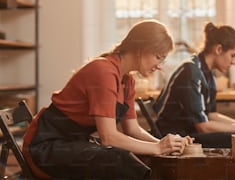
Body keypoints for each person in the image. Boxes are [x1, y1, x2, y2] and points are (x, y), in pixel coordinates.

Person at [22, 19, 193, 180]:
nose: (159, 66)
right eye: (158, 57)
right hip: (45, 148)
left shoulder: (127, 81)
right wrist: (158, 148)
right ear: (141, 48)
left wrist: (167, 146)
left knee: (137, 156)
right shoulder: (104, 71)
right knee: (115, 158)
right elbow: (109, 138)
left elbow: (133, 130)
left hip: (72, 143)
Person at [153, 22, 235, 148]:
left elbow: (211, 115)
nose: (234, 62)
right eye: (233, 55)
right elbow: (203, 127)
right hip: (173, 136)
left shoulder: (208, 73)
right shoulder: (191, 71)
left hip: (188, 132)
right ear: (219, 49)